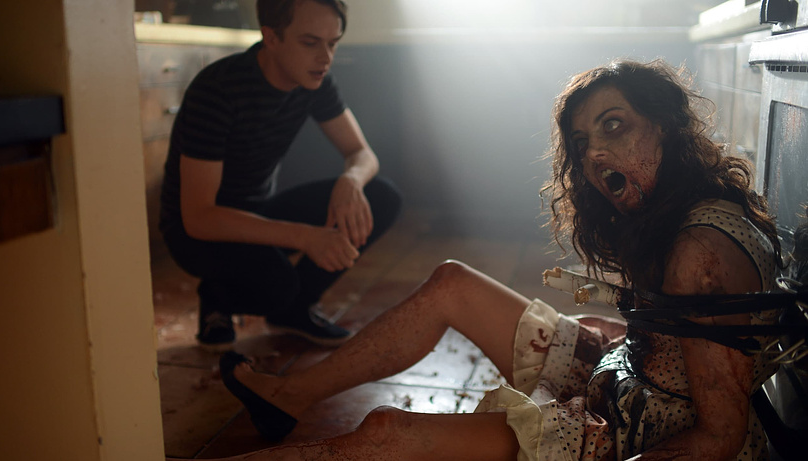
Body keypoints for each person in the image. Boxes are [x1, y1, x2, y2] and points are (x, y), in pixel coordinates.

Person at [204, 59, 782, 460]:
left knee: (386, 431)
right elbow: (698, 343)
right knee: (452, 282)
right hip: (628, 378)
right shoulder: (685, 206)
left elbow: (718, 440)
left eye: (615, 125)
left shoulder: (699, 254)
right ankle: (286, 397)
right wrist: (637, 337)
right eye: (582, 142)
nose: (595, 153)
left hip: (638, 433)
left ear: (667, 123)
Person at [160, 0, 402, 350]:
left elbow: (362, 154)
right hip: (197, 233)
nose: (325, 58)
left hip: (258, 211)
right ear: (271, 37)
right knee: (277, 286)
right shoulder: (218, 90)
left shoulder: (314, 80)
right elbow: (199, 218)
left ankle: (294, 310)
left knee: (381, 197)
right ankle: (217, 295)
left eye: (332, 43)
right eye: (310, 42)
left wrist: (350, 181)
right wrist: (305, 237)